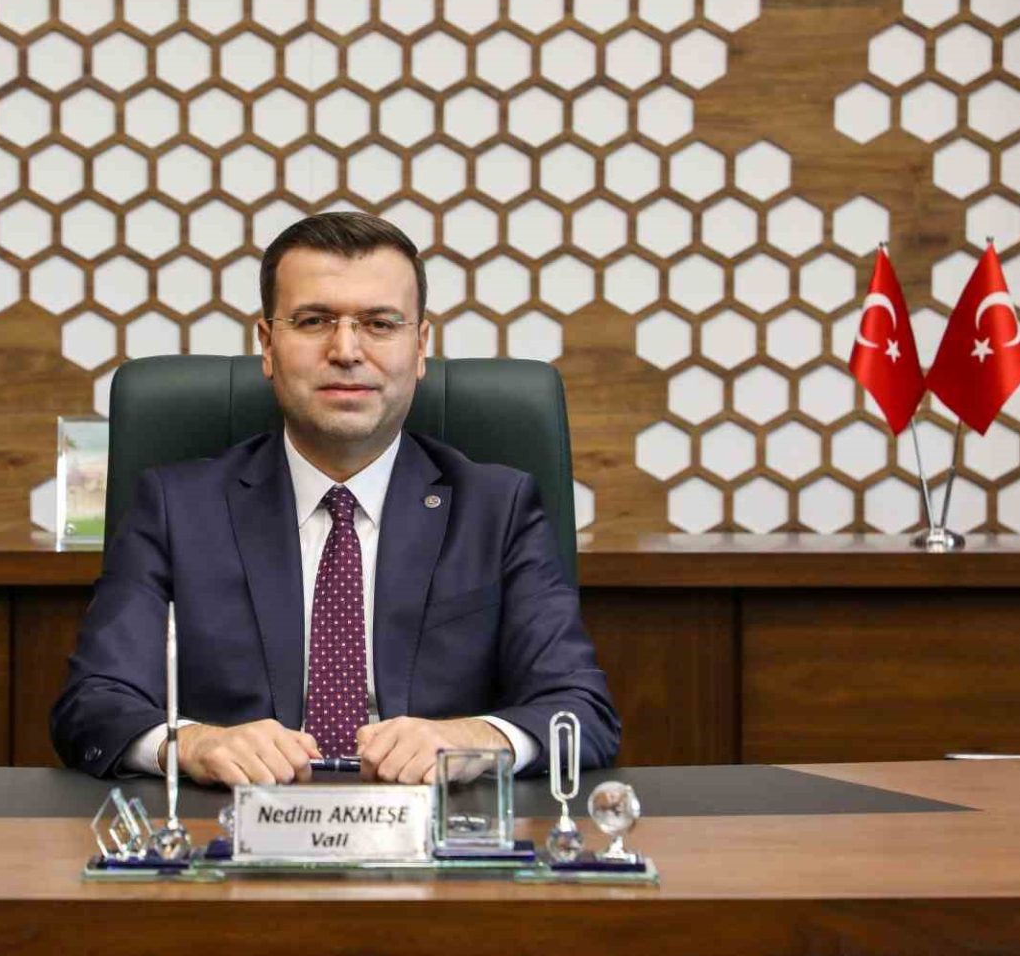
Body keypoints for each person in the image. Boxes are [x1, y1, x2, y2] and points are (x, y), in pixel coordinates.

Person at [51, 211, 619, 786]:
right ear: (268, 345)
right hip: (232, 824)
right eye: (314, 321)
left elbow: (579, 711)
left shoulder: (497, 509)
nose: (346, 350)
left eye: (379, 323)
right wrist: (192, 744)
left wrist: (474, 739)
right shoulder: (176, 508)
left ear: (420, 346)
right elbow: (93, 704)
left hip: (434, 826)